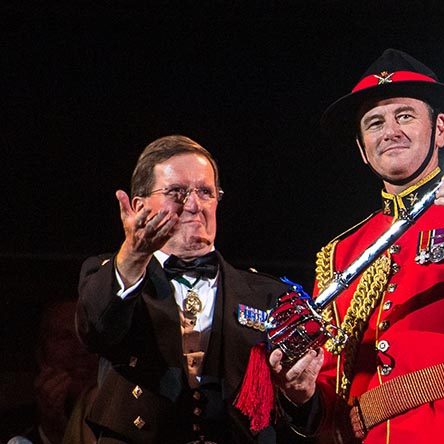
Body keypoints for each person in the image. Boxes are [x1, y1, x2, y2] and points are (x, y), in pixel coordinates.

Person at [268, 49, 444, 443]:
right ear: (362, 149)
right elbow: (330, 395)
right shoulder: (339, 253)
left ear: (439, 130)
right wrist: (302, 397)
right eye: (375, 122)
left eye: (405, 116)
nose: (390, 131)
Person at [75, 135, 289, 443]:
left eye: (205, 191)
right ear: (139, 206)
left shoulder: (267, 294)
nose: (193, 205)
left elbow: (298, 413)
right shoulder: (111, 274)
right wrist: (133, 257)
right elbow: (95, 329)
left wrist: (300, 395)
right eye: (176, 192)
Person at [6, 299, 98, 444]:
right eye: (65, 337)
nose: (80, 349)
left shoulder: (127, 420)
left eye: (88, 336)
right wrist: (53, 432)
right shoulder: (11, 429)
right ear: (41, 353)